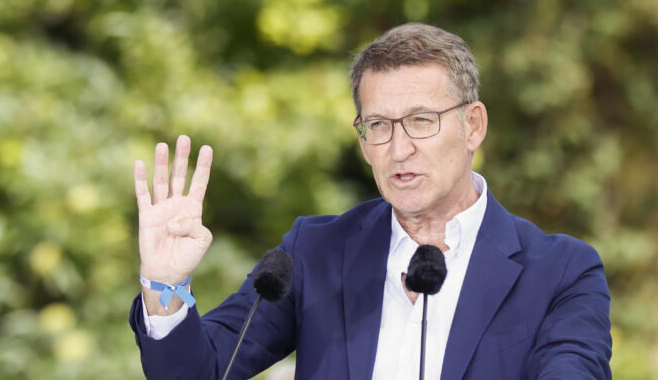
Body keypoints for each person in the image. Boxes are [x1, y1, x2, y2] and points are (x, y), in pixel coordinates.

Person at [129, 23, 612, 379]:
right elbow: (204, 371)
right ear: (362, 141)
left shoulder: (561, 271)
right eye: (379, 125)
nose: (399, 149)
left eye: (422, 120)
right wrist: (164, 287)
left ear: (473, 126)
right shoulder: (314, 250)